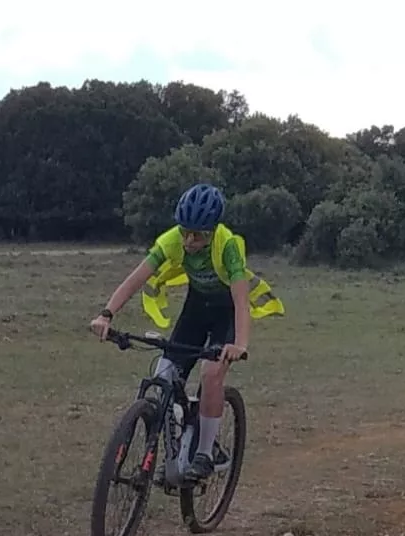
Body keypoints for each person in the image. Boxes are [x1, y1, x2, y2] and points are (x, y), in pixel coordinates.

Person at [91, 183, 278, 484]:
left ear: (213, 230)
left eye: (199, 234)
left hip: (225, 313)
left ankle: (204, 453)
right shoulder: (172, 241)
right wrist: (106, 314)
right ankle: (175, 448)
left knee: (210, 373)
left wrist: (239, 344)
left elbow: (241, 302)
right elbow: (135, 279)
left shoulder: (227, 246)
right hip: (196, 309)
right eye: (186, 231)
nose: (190, 240)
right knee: (164, 375)